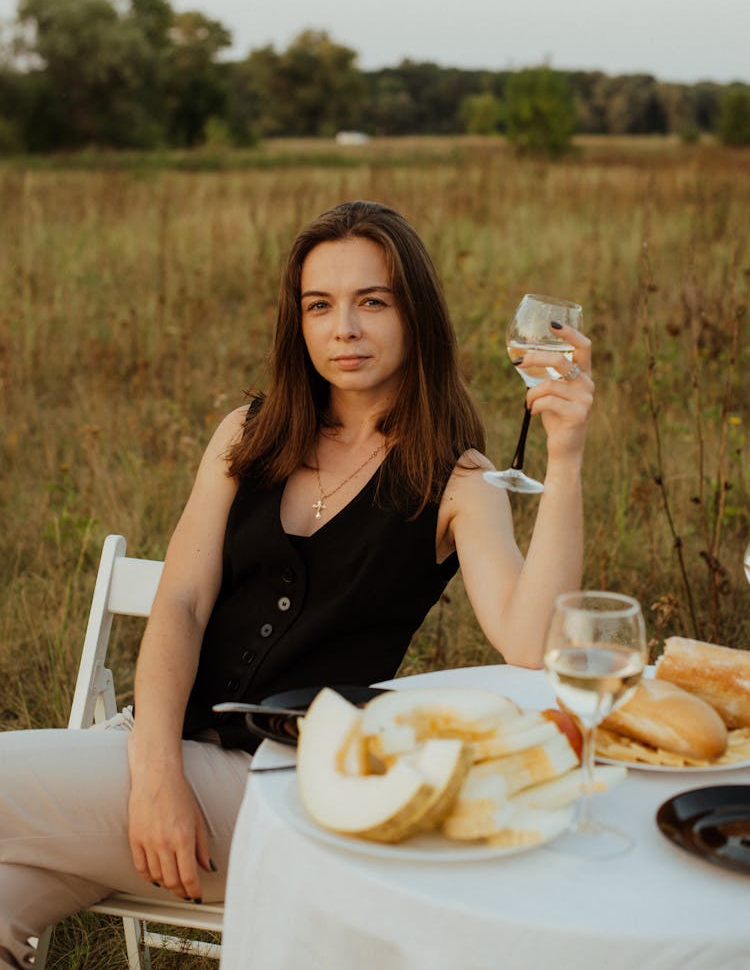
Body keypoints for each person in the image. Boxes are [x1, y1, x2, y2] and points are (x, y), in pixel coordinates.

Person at [0, 200, 593, 967]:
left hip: (286, 789)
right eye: (321, 306)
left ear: (416, 316)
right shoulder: (247, 434)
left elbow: (530, 641)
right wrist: (155, 780)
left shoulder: (455, 478)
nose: (343, 328)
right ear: (298, 321)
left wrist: (568, 454)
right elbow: (179, 606)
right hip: (150, 753)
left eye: (371, 302)